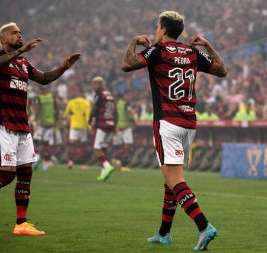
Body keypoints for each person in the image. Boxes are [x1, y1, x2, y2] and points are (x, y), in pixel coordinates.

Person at [121, 11, 227, 251]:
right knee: (169, 181)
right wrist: (209, 46)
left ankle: (204, 227)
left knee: (175, 179)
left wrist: (133, 42)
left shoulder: (157, 51)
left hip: (167, 123)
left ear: (162, 28)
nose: (155, 31)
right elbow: (222, 70)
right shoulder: (192, 52)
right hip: (189, 124)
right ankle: (164, 233)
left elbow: (126, 64)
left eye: (157, 27)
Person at [0, 22, 80, 235]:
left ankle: (21, 224)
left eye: (20, 32)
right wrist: (21, 50)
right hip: (2, 123)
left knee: (26, 173)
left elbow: (44, 79)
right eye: (14, 32)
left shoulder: (23, 62)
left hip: (22, 125)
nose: (19, 34)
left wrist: (64, 66)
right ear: (3, 39)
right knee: (7, 174)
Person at [89, 76, 117, 181]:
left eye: (95, 84)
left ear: (100, 84)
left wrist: (89, 120)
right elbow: (115, 111)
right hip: (111, 124)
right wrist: (115, 125)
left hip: (101, 124)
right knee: (103, 149)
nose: (93, 86)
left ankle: (107, 166)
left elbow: (94, 110)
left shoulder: (99, 95)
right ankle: (103, 172)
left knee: (96, 148)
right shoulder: (110, 95)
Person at [31, 85, 62, 171]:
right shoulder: (51, 96)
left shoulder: (38, 98)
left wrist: (35, 119)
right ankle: (46, 162)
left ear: (40, 89)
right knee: (46, 143)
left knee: (36, 141)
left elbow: (36, 109)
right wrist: (56, 120)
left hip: (41, 123)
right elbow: (57, 109)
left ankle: (36, 158)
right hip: (50, 123)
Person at [63, 88, 91, 168]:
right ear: (83, 94)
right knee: (83, 146)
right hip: (83, 127)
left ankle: (71, 162)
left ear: (78, 94)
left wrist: (68, 120)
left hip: (74, 126)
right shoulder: (86, 103)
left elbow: (66, 114)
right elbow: (87, 116)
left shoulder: (71, 102)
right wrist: (89, 127)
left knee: (72, 145)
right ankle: (83, 164)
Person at [112, 92, 137, 171]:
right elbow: (130, 114)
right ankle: (124, 165)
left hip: (117, 127)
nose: (130, 96)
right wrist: (134, 122)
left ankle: (116, 163)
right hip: (126, 127)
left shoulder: (117, 103)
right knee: (127, 147)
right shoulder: (127, 104)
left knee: (117, 147)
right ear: (124, 95)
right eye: (128, 95)